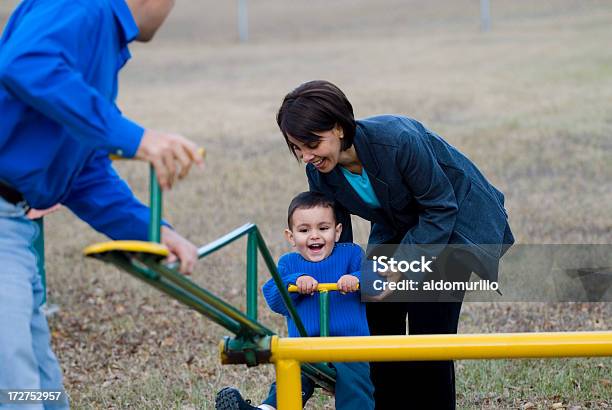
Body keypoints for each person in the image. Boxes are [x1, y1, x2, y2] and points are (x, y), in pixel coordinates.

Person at [0, 0, 203, 408]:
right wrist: (135, 137)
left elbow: (84, 170)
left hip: (16, 224)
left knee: (41, 389)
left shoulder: (102, 42)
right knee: (14, 386)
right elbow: (25, 62)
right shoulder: (81, 5)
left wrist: (155, 231)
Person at [275, 80, 515, 409]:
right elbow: (337, 238)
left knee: (428, 334)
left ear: (337, 127)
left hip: (455, 223)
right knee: (375, 321)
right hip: (400, 225)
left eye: (312, 144)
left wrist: (401, 267)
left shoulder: (398, 140)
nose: (306, 156)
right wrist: (335, 285)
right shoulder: (321, 172)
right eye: (297, 148)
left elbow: (441, 207)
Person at [216, 191, 374, 410]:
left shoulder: (352, 255)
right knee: (292, 374)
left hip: (349, 345)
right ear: (291, 237)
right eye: (304, 230)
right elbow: (273, 296)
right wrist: (295, 283)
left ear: (337, 232)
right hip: (305, 345)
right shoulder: (289, 264)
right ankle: (267, 409)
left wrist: (356, 279)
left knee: (355, 382)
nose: (314, 236)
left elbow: (378, 283)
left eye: (323, 228)